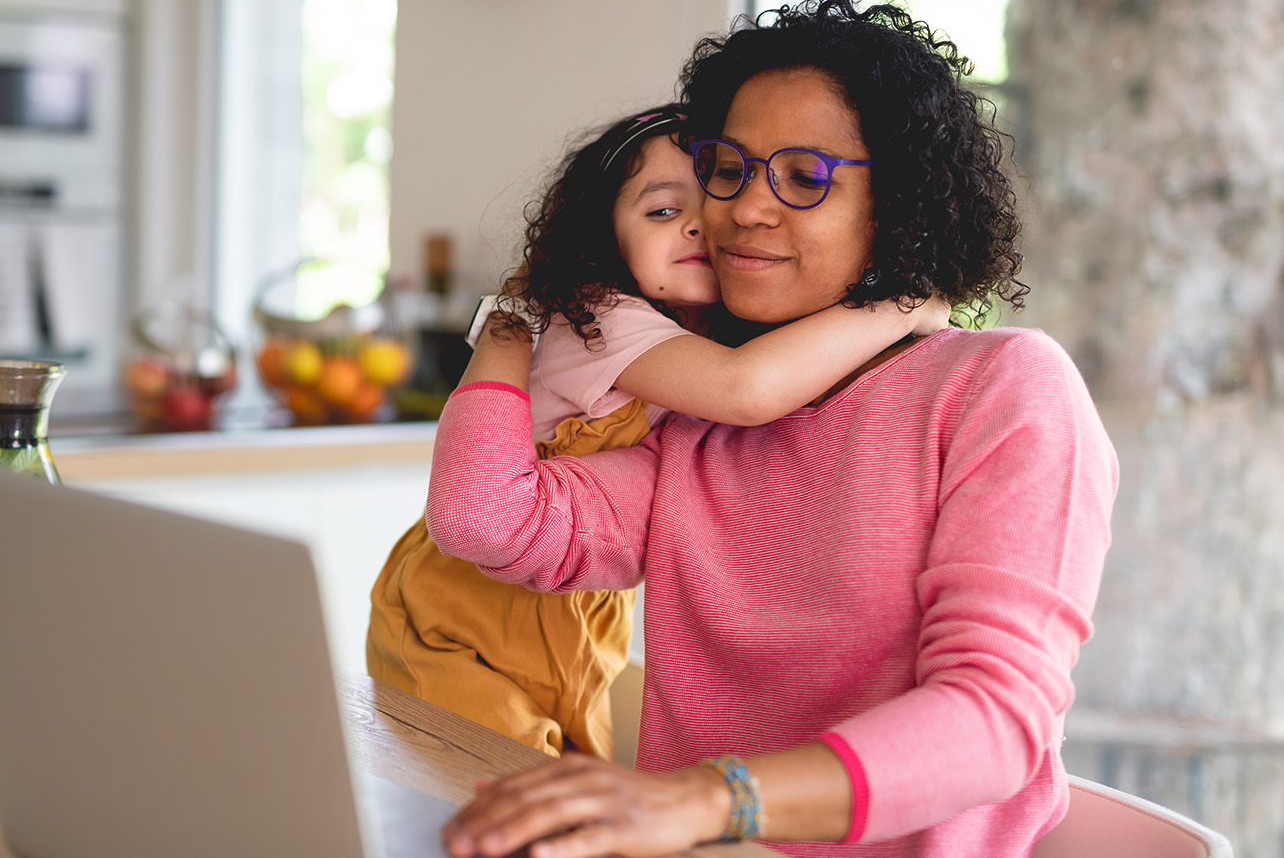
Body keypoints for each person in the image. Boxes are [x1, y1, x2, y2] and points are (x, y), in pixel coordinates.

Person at [429, 0, 1116, 858]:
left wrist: (707, 802)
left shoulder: (1001, 385)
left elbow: (994, 722)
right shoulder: (696, 418)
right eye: (729, 168)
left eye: (803, 176)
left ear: (897, 203)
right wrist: (513, 315)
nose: (744, 210)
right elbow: (485, 517)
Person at [366, 105, 946, 759]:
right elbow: (745, 390)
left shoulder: (689, 335)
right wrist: (904, 303)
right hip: (458, 623)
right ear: (604, 241)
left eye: (713, 202)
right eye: (663, 211)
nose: (701, 223)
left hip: (572, 624)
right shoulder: (598, 315)